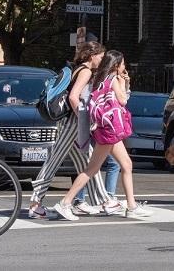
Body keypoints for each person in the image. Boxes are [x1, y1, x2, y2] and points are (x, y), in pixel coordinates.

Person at [53, 50, 153, 220]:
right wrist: (124, 83)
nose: (124, 67)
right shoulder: (113, 79)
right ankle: (65, 202)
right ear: (116, 65)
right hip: (110, 129)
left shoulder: (98, 79)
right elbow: (122, 100)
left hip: (104, 127)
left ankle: (132, 206)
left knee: (126, 164)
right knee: (92, 169)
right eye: (123, 64)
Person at [27, 41, 116, 219]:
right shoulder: (85, 71)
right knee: (55, 159)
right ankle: (35, 203)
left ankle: (105, 200)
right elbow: (74, 97)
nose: (102, 59)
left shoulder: (78, 69)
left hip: (73, 123)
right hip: (73, 123)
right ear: (92, 56)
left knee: (89, 161)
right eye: (100, 56)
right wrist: (85, 118)